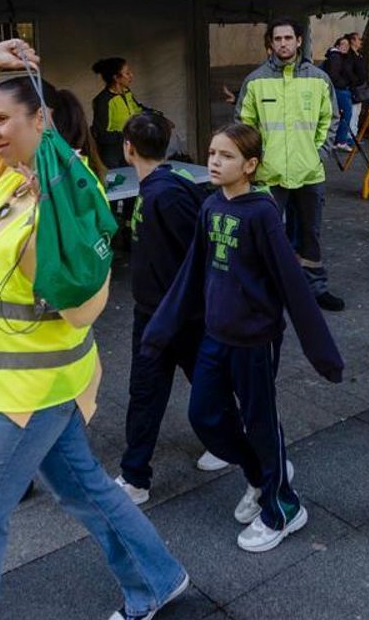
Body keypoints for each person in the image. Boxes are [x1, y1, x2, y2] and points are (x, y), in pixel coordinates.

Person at [0, 38, 189, 620]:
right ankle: (156, 577)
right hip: (18, 383)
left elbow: (85, 303)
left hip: (32, 393)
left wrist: (48, 250)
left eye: (3, 120)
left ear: (39, 119)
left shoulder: (69, 194)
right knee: (86, 491)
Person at [144, 124, 345, 552]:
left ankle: (283, 507)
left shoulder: (261, 213)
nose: (215, 161)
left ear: (250, 166)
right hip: (215, 336)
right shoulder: (210, 206)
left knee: (260, 423)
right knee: (204, 415)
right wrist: (160, 329)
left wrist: (322, 352)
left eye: (227, 156)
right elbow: (191, 274)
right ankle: (259, 477)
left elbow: (293, 283)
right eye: (213, 152)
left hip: (256, 339)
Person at [114, 113, 229, 505]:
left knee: (149, 392)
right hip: (161, 312)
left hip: (171, 316)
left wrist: (186, 308)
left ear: (128, 148)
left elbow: (197, 254)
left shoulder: (168, 193)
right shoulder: (155, 189)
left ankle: (135, 477)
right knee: (177, 385)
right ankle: (137, 474)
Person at [236, 19, 345, 310]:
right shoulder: (255, 81)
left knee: (311, 234)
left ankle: (315, 288)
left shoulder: (319, 79)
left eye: (288, 38)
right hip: (269, 175)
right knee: (266, 236)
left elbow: (331, 118)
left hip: (310, 173)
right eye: (277, 38)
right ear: (270, 43)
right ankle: (266, 289)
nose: (283, 43)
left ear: (299, 41)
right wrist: (254, 164)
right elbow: (244, 127)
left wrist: (319, 152)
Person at [90, 57, 152, 169]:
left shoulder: (127, 93)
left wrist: (157, 117)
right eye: (127, 73)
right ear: (116, 78)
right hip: (113, 156)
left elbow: (137, 109)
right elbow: (100, 134)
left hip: (130, 151)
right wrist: (126, 135)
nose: (131, 75)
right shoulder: (103, 101)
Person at [323, 35, 358, 152]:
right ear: (337, 46)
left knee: (339, 115)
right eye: (343, 44)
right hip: (340, 90)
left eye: (348, 45)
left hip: (339, 89)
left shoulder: (337, 56)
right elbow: (334, 75)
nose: (346, 47)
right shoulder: (336, 57)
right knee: (346, 115)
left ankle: (337, 140)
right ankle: (341, 141)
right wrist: (343, 83)